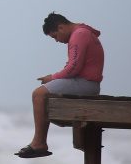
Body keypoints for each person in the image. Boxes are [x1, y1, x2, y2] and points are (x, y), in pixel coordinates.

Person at [15, 13, 105, 159]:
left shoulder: (79, 35)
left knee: (38, 94)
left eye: (54, 36)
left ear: (61, 27)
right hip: (86, 83)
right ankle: (40, 141)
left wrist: (51, 78)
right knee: (43, 92)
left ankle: (39, 143)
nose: (56, 41)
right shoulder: (82, 33)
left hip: (85, 84)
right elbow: (74, 66)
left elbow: (73, 68)